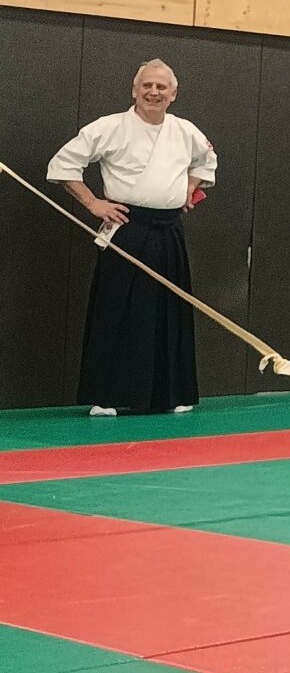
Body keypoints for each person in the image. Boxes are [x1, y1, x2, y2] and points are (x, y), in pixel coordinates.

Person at [48, 59, 216, 417]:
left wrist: (188, 188)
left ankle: (170, 393)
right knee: (118, 309)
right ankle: (106, 395)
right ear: (134, 90)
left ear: (173, 94)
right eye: (147, 86)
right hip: (127, 227)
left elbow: (207, 161)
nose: (153, 92)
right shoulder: (109, 127)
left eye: (161, 87)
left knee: (169, 311)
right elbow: (63, 164)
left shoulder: (185, 131)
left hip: (169, 230)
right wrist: (93, 203)